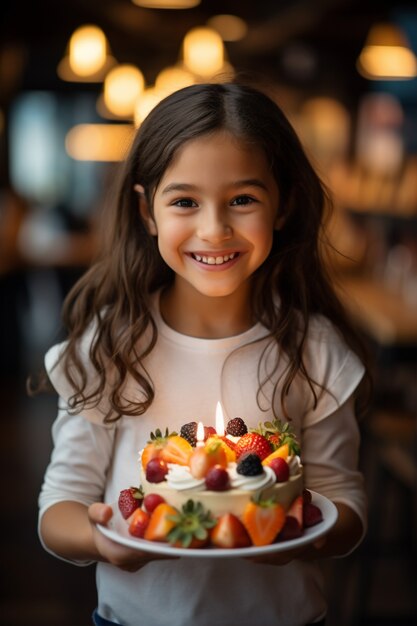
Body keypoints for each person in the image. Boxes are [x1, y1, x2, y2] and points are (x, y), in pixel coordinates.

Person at [37, 82, 369, 626]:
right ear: (147, 211)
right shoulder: (109, 347)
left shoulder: (314, 350)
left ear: (282, 202)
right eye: (185, 201)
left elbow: (345, 504)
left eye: (242, 199)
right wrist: (103, 537)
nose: (214, 230)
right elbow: (58, 511)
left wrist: (302, 534)